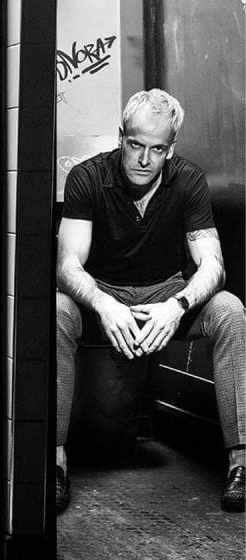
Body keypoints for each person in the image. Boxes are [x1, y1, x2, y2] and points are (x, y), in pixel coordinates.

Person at [55, 89, 245, 514]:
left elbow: (213, 266)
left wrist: (177, 306)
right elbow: (67, 266)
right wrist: (103, 304)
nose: (143, 159)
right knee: (56, 312)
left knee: (230, 311)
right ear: (120, 136)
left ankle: (242, 463)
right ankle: (53, 462)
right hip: (102, 294)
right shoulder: (87, 178)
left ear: (171, 148)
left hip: (165, 295)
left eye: (157, 149)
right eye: (135, 144)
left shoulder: (188, 180)